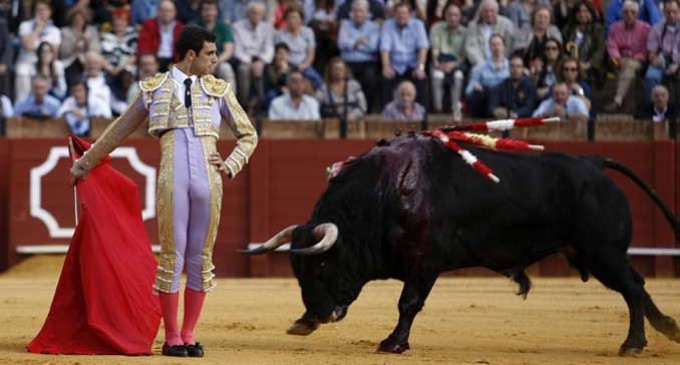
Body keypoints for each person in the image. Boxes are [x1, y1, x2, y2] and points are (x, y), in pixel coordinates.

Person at [69, 24, 258, 357]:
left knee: (201, 259)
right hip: (173, 179)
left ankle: (188, 334)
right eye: (210, 54)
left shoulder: (219, 89)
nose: (215, 60)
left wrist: (230, 164)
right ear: (190, 55)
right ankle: (171, 337)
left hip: (209, 182)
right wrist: (85, 163)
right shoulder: (153, 88)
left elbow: (249, 135)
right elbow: (118, 130)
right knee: (173, 257)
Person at [380, 2, 430, 107]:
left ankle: (421, 115)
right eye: (398, 13)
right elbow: (384, 48)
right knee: (385, 80)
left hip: (412, 65)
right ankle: (386, 115)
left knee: (422, 79)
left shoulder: (418, 25)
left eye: (404, 13)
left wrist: (420, 67)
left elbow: (423, 48)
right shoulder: (388, 25)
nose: (401, 16)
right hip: (395, 66)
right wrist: (386, 67)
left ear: (410, 14)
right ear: (394, 14)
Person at [604, 0, 651, 112]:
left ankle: (618, 100)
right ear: (622, 14)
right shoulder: (614, 28)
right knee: (626, 69)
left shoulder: (646, 29)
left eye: (632, 12)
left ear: (637, 14)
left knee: (629, 67)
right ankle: (626, 107)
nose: (629, 15)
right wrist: (618, 58)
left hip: (638, 60)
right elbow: (612, 46)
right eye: (626, 12)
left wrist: (634, 58)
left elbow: (646, 49)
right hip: (618, 59)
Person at [336, 0, 380, 112]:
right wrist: (359, 42)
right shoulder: (345, 24)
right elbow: (341, 44)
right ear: (351, 12)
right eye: (355, 11)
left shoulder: (373, 27)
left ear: (367, 13)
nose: (358, 14)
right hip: (348, 62)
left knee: (370, 78)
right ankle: (347, 110)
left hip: (367, 63)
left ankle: (367, 111)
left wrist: (351, 44)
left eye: (361, 11)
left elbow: (373, 47)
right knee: (341, 75)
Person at [232, 1, 275, 106]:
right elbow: (237, 50)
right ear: (248, 13)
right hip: (244, 60)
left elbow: (269, 48)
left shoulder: (267, 27)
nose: (256, 16)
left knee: (265, 69)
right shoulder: (237, 26)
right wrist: (250, 63)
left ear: (263, 14)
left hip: (261, 60)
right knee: (244, 69)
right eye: (254, 13)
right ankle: (244, 103)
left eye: (260, 13)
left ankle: (262, 103)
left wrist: (261, 62)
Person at [429, 2, 467, 114]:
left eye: (455, 15)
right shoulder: (436, 27)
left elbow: (464, 55)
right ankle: (438, 109)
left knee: (458, 76)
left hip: (457, 63)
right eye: (449, 14)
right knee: (437, 75)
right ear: (445, 16)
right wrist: (436, 62)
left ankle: (455, 109)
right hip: (440, 60)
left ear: (460, 17)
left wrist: (454, 65)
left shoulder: (465, 32)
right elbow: (435, 48)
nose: (452, 18)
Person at [465, 33, 510, 118]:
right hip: (486, 99)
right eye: (493, 45)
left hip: (504, 99)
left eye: (499, 44)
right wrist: (475, 86)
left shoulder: (511, 66)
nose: (496, 48)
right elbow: (468, 90)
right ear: (489, 48)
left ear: (504, 46)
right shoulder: (480, 67)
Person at [192, 0, 236, 86]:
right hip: (198, 61)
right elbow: (189, 48)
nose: (209, 13)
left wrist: (215, 63)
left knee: (226, 69)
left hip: (219, 61)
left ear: (216, 11)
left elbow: (229, 50)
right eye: (206, 10)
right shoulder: (193, 26)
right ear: (201, 11)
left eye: (211, 10)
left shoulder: (224, 27)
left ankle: (230, 98)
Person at [644, 0, 680, 103]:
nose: (671, 15)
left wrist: (677, 65)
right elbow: (651, 52)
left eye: (674, 12)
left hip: (678, 61)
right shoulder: (657, 28)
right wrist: (655, 60)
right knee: (651, 76)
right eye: (668, 12)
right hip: (663, 59)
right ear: (663, 12)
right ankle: (651, 109)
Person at [137, 0, 185, 72]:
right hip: (154, 59)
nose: (165, 13)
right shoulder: (149, 25)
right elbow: (144, 46)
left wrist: (177, 63)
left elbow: (183, 49)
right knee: (147, 63)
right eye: (162, 10)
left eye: (169, 11)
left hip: (173, 60)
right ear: (157, 11)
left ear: (175, 12)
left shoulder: (181, 28)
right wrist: (150, 59)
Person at [464, 0, 514, 66]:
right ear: (481, 12)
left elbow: (509, 47)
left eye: (492, 11)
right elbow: (471, 48)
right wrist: (482, 65)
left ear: (497, 11)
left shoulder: (507, 24)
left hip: (502, 64)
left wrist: (500, 62)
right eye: (486, 11)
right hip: (480, 64)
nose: (489, 14)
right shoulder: (473, 26)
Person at [488, 55, 537, 119]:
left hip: (523, 122)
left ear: (523, 69)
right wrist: (496, 111)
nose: (515, 69)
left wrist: (514, 114)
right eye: (512, 66)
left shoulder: (530, 87)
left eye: (518, 66)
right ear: (508, 68)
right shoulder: (500, 87)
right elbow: (492, 106)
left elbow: (529, 108)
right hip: (504, 122)